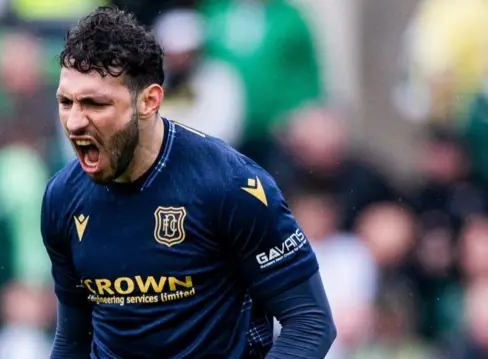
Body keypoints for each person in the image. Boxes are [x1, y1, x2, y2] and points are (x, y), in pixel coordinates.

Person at [41, 5, 336, 358]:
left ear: (149, 101)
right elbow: (73, 341)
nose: (74, 122)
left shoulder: (230, 185)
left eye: (94, 104)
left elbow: (310, 321)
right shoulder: (63, 197)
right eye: (66, 102)